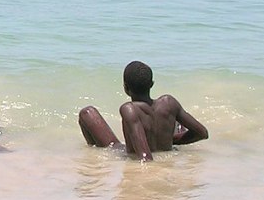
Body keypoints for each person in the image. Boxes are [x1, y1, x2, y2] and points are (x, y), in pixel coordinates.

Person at [78, 60, 209, 161]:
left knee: (86, 112)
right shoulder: (169, 102)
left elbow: (145, 157)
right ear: (151, 84)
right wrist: (168, 141)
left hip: (128, 153)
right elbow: (202, 133)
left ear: (125, 88)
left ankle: (94, 158)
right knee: (177, 123)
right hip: (165, 147)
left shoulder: (129, 109)